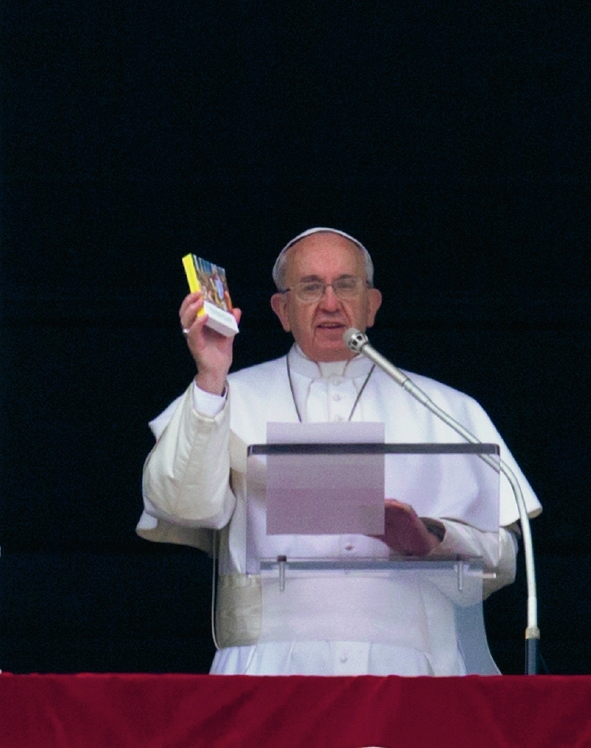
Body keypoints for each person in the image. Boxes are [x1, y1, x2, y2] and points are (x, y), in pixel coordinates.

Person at [138, 227, 541, 676]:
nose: (331, 303)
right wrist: (211, 378)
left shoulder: (446, 408)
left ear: (372, 305)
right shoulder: (231, 398)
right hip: (266, 672)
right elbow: (182, 506)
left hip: (412, 676)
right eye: (311, 287)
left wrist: (429, 539)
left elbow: (503, 561)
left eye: (346, 285)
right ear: (282, 310)